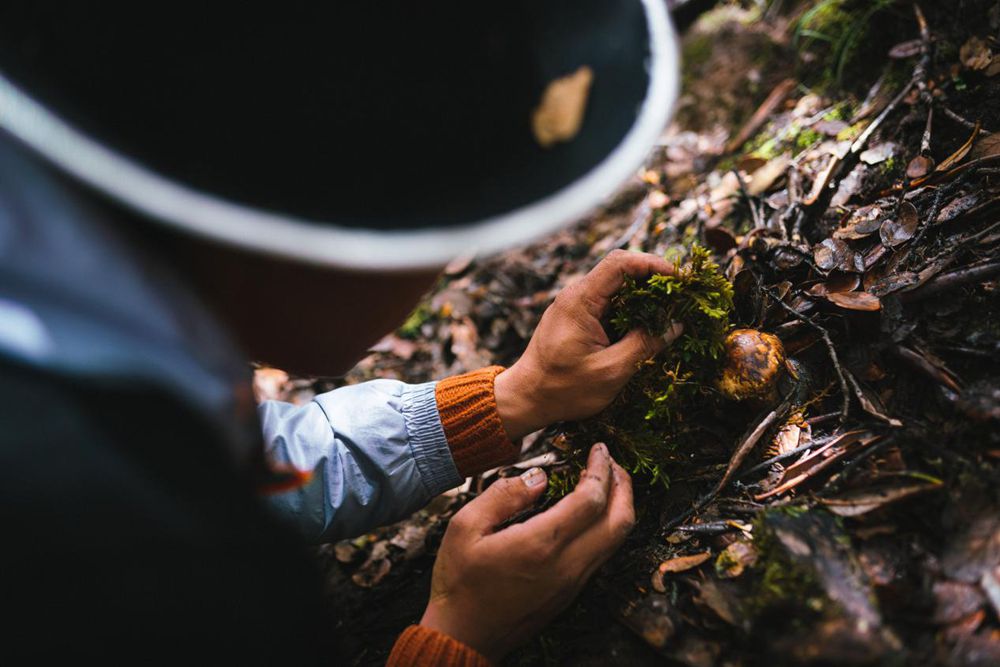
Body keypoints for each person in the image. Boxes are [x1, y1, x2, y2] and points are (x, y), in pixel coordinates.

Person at [0, 3, 680, 664]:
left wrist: (515, 396)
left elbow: (249, 463)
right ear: (304, 234)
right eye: (438, 230)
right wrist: (458, 641)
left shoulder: (70, 341)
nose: (444, 261)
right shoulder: (127, 561)